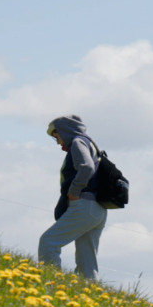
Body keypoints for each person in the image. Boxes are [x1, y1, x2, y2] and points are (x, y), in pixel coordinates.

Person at [38, 115, 107, 280]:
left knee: (48, 242)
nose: (58, 142)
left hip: (84, 204)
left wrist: (74, 192)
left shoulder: (77, 142)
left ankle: (50, 283)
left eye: (57, 137)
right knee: (87, 260)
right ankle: (90, 296)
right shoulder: (90, 143)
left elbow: (86, 167)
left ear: (64, 131)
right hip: (99, 209)